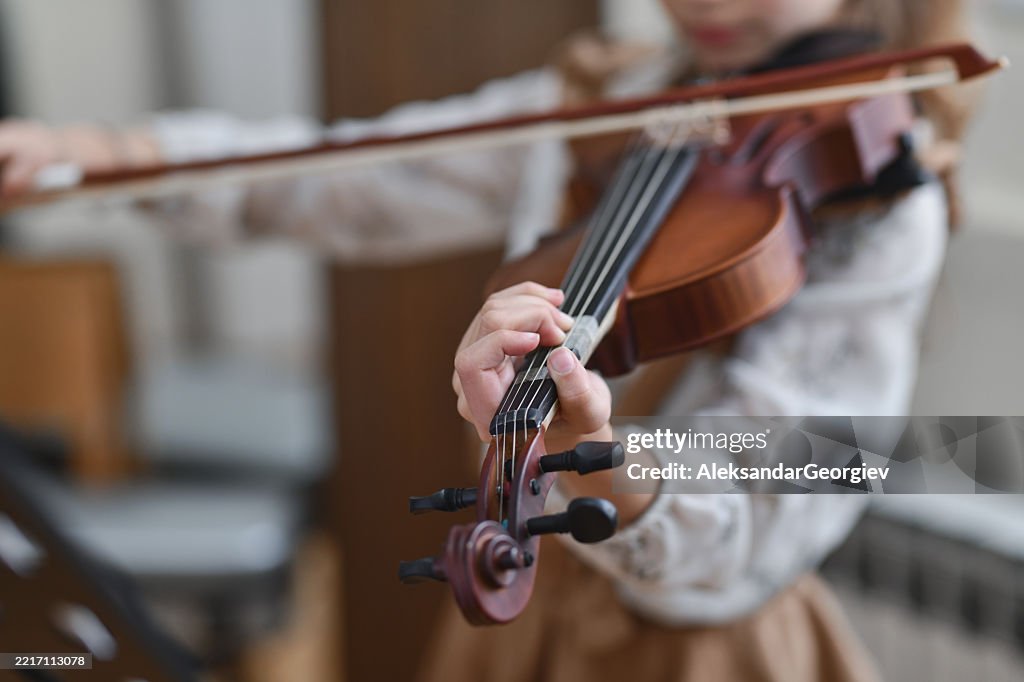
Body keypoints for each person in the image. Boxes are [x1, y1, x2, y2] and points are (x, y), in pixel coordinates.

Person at [0, 1, 978, 680]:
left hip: (706, 649)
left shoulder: (874, 197)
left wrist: (599, 459)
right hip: (513, 614)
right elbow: (344, 174)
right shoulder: (618, 97)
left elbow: (768, 501)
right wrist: (103, 152)